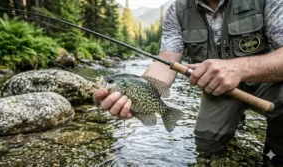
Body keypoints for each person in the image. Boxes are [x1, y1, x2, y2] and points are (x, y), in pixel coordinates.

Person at [94, 0, 283, 164]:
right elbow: (166, 61)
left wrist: (240, 68)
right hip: (217, 91)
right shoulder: (177, 10)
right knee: (206, 145)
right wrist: (137, 100)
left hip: (266, 82)